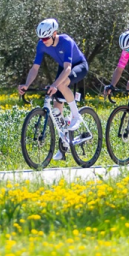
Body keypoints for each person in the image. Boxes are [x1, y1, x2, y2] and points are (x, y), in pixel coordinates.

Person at [18, 18, 89, 161]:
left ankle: (76, 116)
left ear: (54, 33)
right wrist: (26, 84)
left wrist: (55, 85)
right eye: (40, 38)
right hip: (64, 67)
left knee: (61, 85)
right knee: (57, 109)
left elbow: (68, 68)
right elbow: (35, 68)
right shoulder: (41, 44)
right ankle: (64, 146)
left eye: (45, 37)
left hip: (78, 66)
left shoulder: (66, 41)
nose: (43, 41)